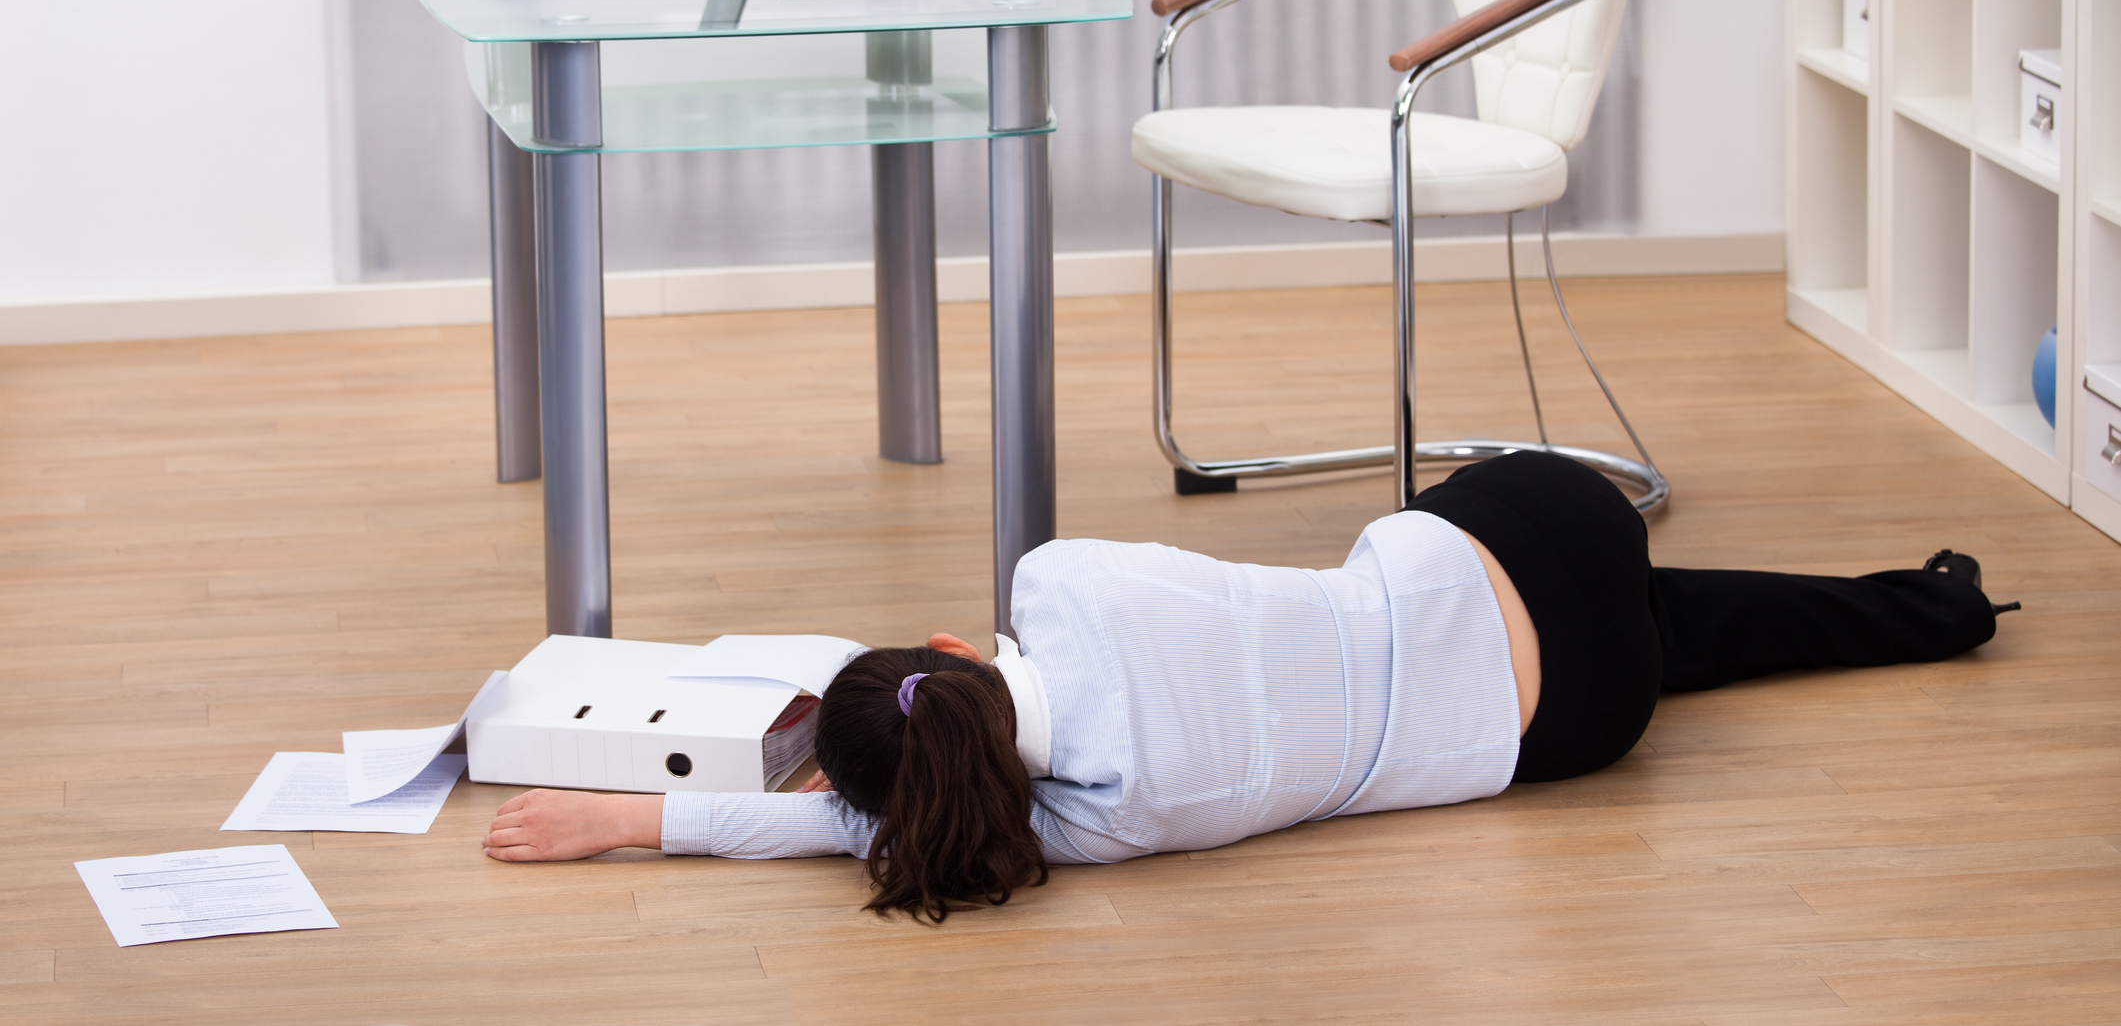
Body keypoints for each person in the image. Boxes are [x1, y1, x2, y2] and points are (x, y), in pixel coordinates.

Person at [481, 451, 2015, 922]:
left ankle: (1932, 608)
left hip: (1568, 730)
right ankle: (1942, 602)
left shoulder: (1093, 824)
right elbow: (937, 728)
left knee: (1671, 634)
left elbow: (857, 825)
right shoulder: (1055, 585)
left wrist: (636, 821)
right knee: (1600, 568)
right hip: (1538, 533)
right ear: (950, 656)